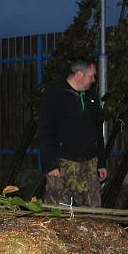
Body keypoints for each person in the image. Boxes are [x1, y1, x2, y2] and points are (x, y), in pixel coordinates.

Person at [37, 59, 108, 207]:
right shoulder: (54, 95)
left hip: (89, 165)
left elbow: (97, 132)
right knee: (57, 214)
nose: (94, 80)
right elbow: (45, 131)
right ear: (79, 74)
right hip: (62, 164)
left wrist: (101, 162)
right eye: (91, 76)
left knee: (92, 214)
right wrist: (50, 164)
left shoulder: (91, 98)